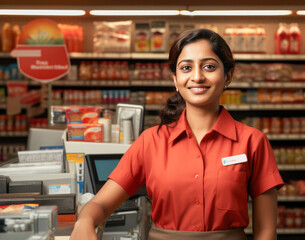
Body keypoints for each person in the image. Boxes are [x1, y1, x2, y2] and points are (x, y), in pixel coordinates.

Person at [70, 29, 284, 240]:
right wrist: (85, 221)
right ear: (175, 79)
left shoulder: (252, 142)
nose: (197, 76)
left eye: (209, 67)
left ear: (228, 76)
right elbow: (101, 203)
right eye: (186, 67)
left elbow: (266, 231)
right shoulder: (150, 141)